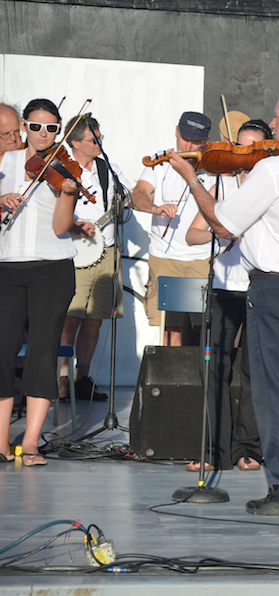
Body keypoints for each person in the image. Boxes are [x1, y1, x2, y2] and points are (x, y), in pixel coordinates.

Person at [168, 88, 279, 517]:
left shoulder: (276, 170)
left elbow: (224, 224)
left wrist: (191, 179)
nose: (275, 121)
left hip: (277, 289)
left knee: (276, 394)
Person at [181, 119, 270, 472]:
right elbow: (192, 235)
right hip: (223, 286)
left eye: (255, 149)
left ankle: (248, 447)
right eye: (241, 147)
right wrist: (222, 234)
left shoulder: (272, 186)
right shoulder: (221, 184)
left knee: (254, 371)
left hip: (260, 287)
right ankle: (213, 448)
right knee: (214, 367)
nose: (246, 156)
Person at [0, 98, 79, 466]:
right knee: (2, 349)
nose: (43, 134)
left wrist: (68, 192)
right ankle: (0, 442)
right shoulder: (6, 159)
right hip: (6, 266)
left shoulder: (64, 168)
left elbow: (61, 228)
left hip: (52, 267)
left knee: (43, 350)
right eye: (35, 127)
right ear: (24, 128)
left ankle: (30, 441)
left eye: (51, 128)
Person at [58, 115, 131, 402]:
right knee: (70, 319)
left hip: (107, 251)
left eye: (100, 137)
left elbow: (129, 195)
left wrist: (151, 201)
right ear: (75, 142)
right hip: (75, 253)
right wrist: (76, 225)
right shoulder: (61, 168)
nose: (99, 143)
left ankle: (83, 378)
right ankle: (62, 379)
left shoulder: (107, 168)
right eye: (93, 139)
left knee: (96, 320)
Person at [131, 111, 216, 346]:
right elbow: (138, 194)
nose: (188, 146)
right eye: (184, 138)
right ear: (176, 132)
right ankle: (171, 380)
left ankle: (198, 381)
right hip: (165, 257)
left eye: (196, 142)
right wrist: (154, 208)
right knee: (169, 329)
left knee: (202, 329)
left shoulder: (213, 166)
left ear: (206, 142)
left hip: (202, 258)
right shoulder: (159, 162)